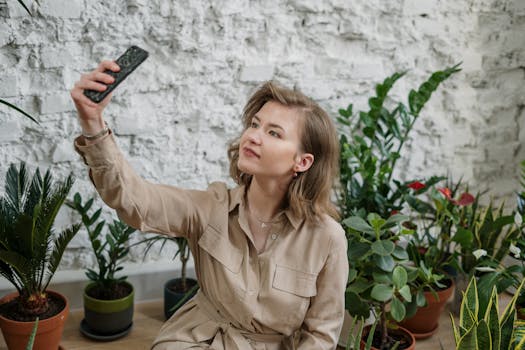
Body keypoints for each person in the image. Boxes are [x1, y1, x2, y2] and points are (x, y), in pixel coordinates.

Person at [70, 60, 349, 350]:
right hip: (198, 340)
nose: (253, 136)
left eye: (274, 133)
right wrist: (93, 124)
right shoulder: (209, 208)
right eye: (255, 124)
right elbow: (136, 201)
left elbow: (321, 334)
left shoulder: (327, 238)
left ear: (302, 162)